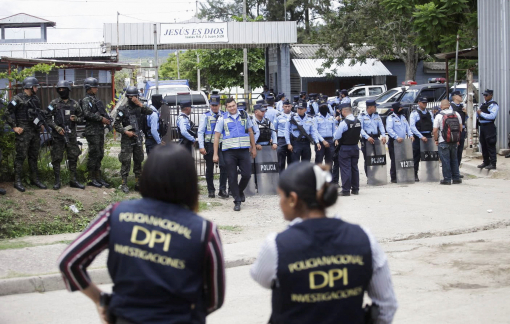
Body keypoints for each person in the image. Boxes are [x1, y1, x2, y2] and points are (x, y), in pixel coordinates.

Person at [58, 144, 225, 324]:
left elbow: (69, 262)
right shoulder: (204, 231)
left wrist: (101, 300)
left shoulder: (116, 215)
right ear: (190, 183)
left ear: (146, 176)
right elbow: (215, 299)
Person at [250, 162, 398, 324]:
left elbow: (260, 276)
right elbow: (386, 306)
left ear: (292, 199)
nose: (280, 203)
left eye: (281, 196)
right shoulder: (365, 238)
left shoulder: (276, 246)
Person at [213, 98, 257, 211]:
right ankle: (237, 201)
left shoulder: (244, 115)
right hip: (229, 151)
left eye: (233, 105)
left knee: (247, 174)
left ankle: (239, 191)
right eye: (229, 106)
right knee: (232, 176)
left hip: (243, 150)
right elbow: (217, 136)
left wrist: (253, 147)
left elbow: (251, 131)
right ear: (226, 108)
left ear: (236, 105)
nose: (232, 108)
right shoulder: (222, 118)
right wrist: (215, 154)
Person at [5, 76, 47, 192]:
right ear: (29, 87)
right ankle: (17, 181)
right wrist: (14, 127)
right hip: (23, 133)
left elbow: (37, 114)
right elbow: (7, 113)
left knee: (33, 156)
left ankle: (35, 179)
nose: (37, 89)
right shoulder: (17, 99)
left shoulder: (35, 99)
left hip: (34, 132)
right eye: (35, 86)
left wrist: (41, 124)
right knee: (20, 156)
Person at [45, 80, 85, 190]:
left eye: (63, 89)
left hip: (71, 136)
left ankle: (73, 180)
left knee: (73, 157)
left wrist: (76, 119)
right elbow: (47, 117)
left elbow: (82, 117)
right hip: (58, 136)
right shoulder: (54, 103)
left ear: (68, 90)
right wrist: (56, 128)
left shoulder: (74, 104)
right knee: (56, 158)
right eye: (59, 89)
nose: (61, 91)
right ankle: (57, 181)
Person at [113, 86, 153, 194]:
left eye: (134, 96)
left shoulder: (139, 107)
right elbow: (116, 124)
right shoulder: (123, 108)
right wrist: (126, 132)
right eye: (131, 97)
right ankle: (124, 183)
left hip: (137, 137)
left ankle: (138, 183)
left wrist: (140, 104)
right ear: (127, 97)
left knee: (138, 160)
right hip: (127, 138)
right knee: (125, 160)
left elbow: (150, 112)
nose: (133, 98)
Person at [81, 77, 111, 188]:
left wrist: (106, 119)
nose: (96, 89)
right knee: (94, 154)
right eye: (94, 87)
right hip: (91, 131)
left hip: (99, 130)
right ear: (89, 88)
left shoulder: (95, 100)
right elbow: (87, 114)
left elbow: (102, 113)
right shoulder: (86, 100)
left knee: (100, 154)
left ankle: (98, 177)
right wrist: (100, 119)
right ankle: (91, 178)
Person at [198, 95, 228, 198]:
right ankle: (211, 190)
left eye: (216, 105)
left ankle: (222, 189)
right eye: (212, 105)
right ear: (210, 105)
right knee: (210, 168)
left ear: (219, 105)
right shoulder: (205, 116)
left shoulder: (224, 115)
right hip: (209, 144)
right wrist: (201, 146)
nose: (214, 107)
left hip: (222, 144)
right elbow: (200, 131)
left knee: (224, 166)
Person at [433, 99, 463, 184]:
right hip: (454, 141)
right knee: (454, 159)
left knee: (445, 160)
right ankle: (456, 177)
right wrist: (457, 139)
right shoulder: (456, 114)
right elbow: (460, 128)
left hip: (443, 141)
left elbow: (435, 130)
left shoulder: (439, 116)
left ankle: (447, 179)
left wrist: (436, 139)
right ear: (449, 105)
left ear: (441, 106)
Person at [334, 106, 361, 196]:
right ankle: (355, 189)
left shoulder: (344, 123)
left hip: (345, 148)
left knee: (345, 169)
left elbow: (337, 136)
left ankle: (346, 190)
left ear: (344, 111)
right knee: (354, 168)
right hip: (355, 147)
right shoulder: (358, 121)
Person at [386, 102, 414, 183]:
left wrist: (410, 135)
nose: (402, 109)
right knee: (394, 159)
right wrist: (396, 137)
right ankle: (394, 177)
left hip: (403, 141)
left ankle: (402, 175)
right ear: (396, 109)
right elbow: (389, 129)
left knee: (403, 159)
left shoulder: (403, 117)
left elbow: (407, 127)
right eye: (400, 108)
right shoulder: (391, 118)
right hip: (394, 141)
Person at [410, 97, 434, 181]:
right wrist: (420, 136)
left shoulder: (429, 112)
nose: (425, 104)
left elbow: (433, 123)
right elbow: (412, 127)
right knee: (416, 156)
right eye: (423, 102)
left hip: (428, 136)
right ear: (419, 103)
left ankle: (429, 173)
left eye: (426, 102)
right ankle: (414, 174)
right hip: (418, 137)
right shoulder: (414, 113)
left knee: (429, 156)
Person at [359, 100, 387, 175]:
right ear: (370, 107)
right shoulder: (362, 116)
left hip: (375, 139)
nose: (376, 108)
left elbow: (381, 126)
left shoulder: (377, 115)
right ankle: (369, 176)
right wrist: (367, 137)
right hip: (366, 140)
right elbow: (360, 128)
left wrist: (383, 135)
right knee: (368, 159)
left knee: (379, 158)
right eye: (375, 106)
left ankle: (373, 175)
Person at [476, 89, 499, 170]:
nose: (484, 96)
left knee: (490, 144)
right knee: (483, 144)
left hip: (489, 126)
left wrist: (481, 113)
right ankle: (486, 161)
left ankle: (493, 163)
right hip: (482, 126)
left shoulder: (493, 105)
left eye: (486, 95)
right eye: (484, 95)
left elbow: (492, 116)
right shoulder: (483, 104)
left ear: (491, 95)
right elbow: (478, 114)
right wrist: (478, 115)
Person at [313, 99, 337, 168]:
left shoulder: (331, 118)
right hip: (320, 142)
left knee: (329, 161)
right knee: (318, 161)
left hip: (330, 141)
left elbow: (334, 130)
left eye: (325, 106)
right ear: (319, 107)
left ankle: (328, 178)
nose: (323, 107)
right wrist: (323, 141)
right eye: (322, 106)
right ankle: (317, 178)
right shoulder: (316, 118)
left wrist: (335, 139)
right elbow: (315, 131)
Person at [274, 99, 293, 173]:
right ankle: (281, 179)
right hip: (281, 139)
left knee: (291, 161)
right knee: (281, 161)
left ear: (291, 106)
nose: (287, 108)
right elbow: (275, 129)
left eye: (289, 106)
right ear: (282, 107)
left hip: (292, 140)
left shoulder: (294, 115)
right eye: (286, 106)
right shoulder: (278, 116)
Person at [450, 90, 467, 170]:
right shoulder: (451, 106)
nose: (461, 97)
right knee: (454, 151)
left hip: (462, 130)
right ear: (455, 97)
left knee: (460, 151)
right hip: (454, 131)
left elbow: (466, 118)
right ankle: (453, 169)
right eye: (460, 96)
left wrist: (466, 113)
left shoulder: (462, 106)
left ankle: (457, 170)